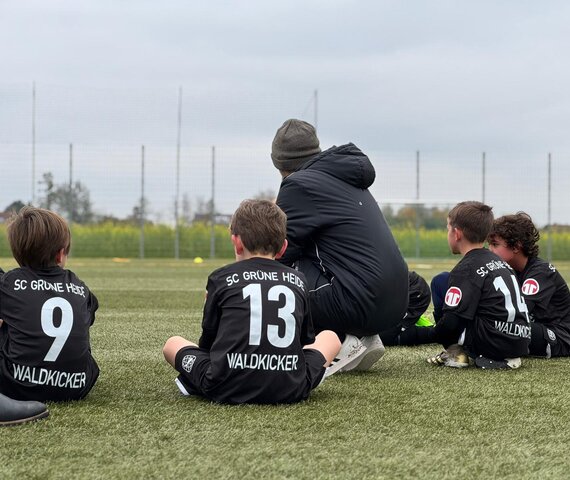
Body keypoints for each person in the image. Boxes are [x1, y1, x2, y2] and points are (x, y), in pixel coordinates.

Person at [163, 199, 340, 405]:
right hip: (290, 386)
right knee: (330, 337)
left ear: (237, 242)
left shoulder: (220, 278)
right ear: (283, 248)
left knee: (172, 344)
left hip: (224, 385)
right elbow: (303, 342)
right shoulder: (299, 280)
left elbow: (208, 344)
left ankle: (193, 382)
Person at [270, 119, 409, 374]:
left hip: (358, 302)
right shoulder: (345, 177)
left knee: (273, 276)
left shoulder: (299, 184)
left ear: (279, 163)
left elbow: (279, 252)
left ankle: (338, 340)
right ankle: (361, 336)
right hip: (397, 302)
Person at [0, 207, 99, 401]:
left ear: (17, 254)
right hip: (78, 386)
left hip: (15, 385)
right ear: (61, 254)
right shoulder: (81, 288)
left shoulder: (9, 283)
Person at [426, 201, 531, 369]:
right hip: (520, 342)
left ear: (457, 234)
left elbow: (450, 324)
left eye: (448, 229)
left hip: (492, 344)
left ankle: (454, 351)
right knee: (445, 282)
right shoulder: (501, 262)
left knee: (440, 285)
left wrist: (424, 334)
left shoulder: (466, 268)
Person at [488, 212, 570, 358]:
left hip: (559, 337)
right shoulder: (508, 270)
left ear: (516, 247)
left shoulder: (540, 272)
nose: (490, 249)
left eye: (495, 244)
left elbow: (519, 312)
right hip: (534, 329)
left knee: (504, 325)